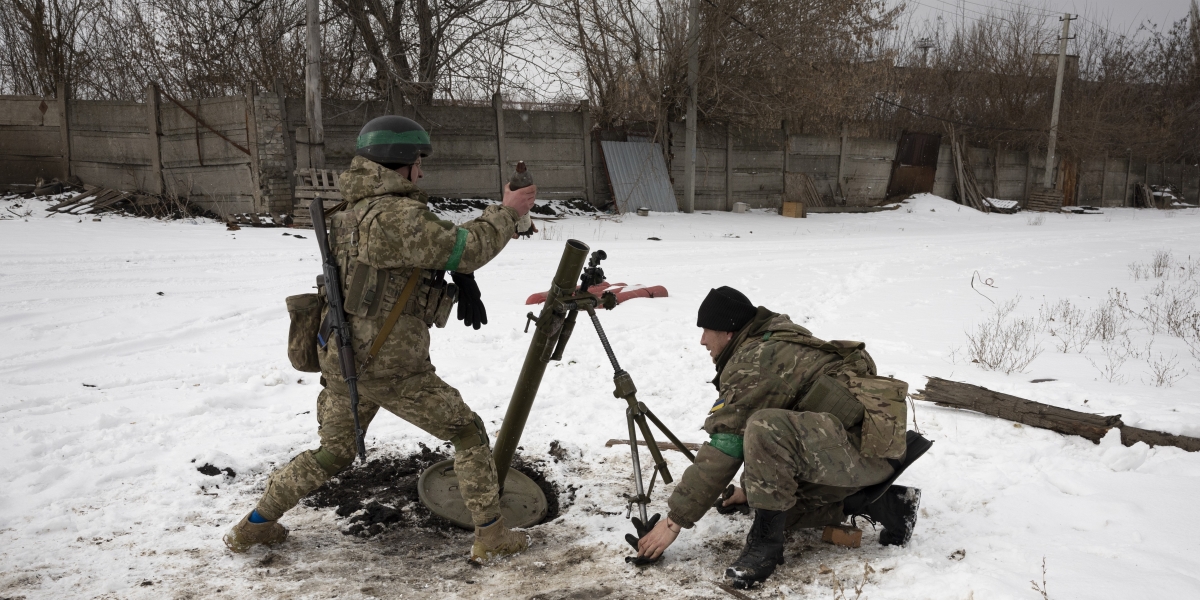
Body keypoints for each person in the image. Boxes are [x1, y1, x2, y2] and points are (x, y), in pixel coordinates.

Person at [223, 115, 538, 563]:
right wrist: (508, 212)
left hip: (343, 354)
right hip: (391, 365)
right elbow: (466, 247)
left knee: (333, 453)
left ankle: (254, 526)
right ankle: (491, 536)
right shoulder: (395, 216)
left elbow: (434, 243)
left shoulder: (353, 210)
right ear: (401, 164)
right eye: (418, 162)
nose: (422, 171)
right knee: (467, 433)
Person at [634, 287, 929, 589]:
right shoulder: (771, 337)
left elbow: (726, 446)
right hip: (854, 451)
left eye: (706, 331)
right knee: (776, 504)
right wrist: (750, 491)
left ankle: (765, 548)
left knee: (764, 431)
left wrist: (674, 522)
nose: (702, 340)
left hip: (864, 453)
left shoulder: (754, 363)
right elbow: (788, 434)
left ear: (727, 331)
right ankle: (889, 505)